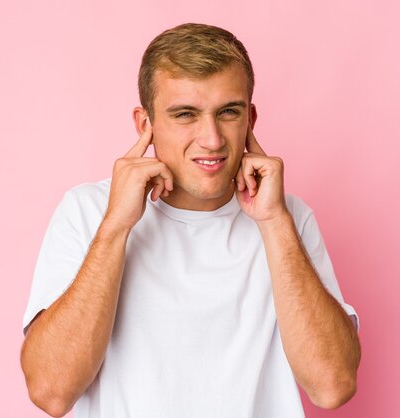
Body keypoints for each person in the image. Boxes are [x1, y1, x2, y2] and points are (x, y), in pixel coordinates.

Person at [20, 23, 361, 418]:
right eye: (185, 114)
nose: (212, 139)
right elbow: (51, 391)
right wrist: (116, 226)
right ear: (144, 124)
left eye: (228, 112)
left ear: (250, 119)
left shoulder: (287, 218)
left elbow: (332, 386)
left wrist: (273, 221)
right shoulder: (89, 212)